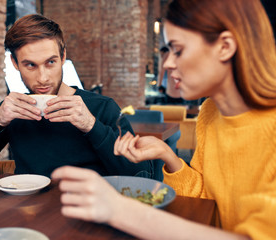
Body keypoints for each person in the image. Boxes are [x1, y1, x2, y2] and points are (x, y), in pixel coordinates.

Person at [51, 0, 276, 239]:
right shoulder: (210, 112)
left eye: (178, 50)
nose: (167, 63)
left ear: (225, 46)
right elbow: (204, 197)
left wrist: (120, 209)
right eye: (167, 50)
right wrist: (167, 154)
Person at [0, 14, 150, 184]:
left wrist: (91, 125)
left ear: (63, 57)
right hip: (30, 217)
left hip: (87, 217)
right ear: (15, 63)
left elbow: (141, 177)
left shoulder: (102, 108)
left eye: (50, 62)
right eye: (30, 65)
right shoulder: (15, 110)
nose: (42, 78)